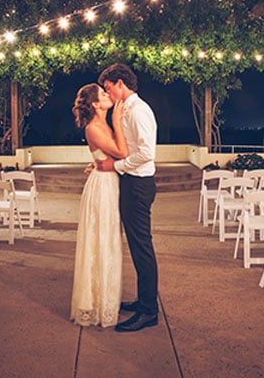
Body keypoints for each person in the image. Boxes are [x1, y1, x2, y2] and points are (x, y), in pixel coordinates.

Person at [96, 63, 159, 333]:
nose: (108, 95)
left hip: (138, 185)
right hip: (131, 183)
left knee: (142, 247)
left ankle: (149, 311)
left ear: (120, 83)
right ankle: (143, 301)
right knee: (136, 247)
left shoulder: (139, 111)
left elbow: (146, 153)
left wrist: (116, 167)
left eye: (109, 89)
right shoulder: (126, 110)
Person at [70, 83, 128, 327]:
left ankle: (107, 299)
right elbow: (122, 153)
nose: (108, 96)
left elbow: (110, 156)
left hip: (109, 181)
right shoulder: (94, 127)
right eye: (103, 94)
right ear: (95, 104)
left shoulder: (101, 124)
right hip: (102, 187)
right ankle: (95, 302)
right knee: (100, 241)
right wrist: (116, 119)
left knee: (109, 240)